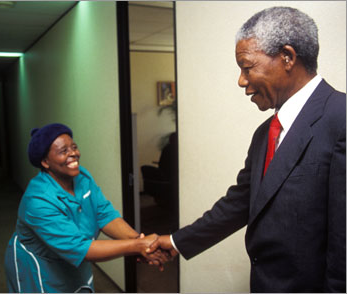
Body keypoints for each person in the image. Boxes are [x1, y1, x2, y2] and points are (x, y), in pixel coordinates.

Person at [147, 6, 346, 293]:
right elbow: (240, 203)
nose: (241, 81)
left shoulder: (341, 119)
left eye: (247, 67)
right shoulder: (265, 133)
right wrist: (177, 242)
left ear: (287, 57)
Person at [4, 123, 166, 293]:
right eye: (63, 151)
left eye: (73, 147)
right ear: (45, 162)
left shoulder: (82, 176)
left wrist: (138, 240)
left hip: (74, 255)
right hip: (40, 264)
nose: (73, 153)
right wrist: (137, 246)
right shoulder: (37, 200)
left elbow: (104, 214)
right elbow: (80, 248)